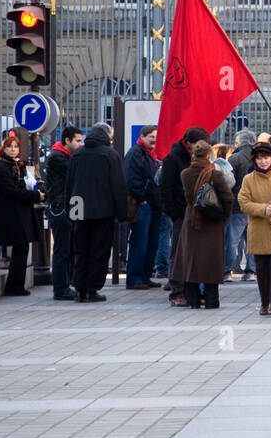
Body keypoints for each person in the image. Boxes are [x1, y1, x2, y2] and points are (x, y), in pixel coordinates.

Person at [67, 122, 128, 303]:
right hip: (103, 211)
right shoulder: (110, 155)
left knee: (80, 250)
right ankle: (92, 289)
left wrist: (68, 209)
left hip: (79, 209)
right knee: (99, 251)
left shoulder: (77, 154)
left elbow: (69, 183)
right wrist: (121, 212)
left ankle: (79, 288)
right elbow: (117, 185)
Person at [174, 138, 234, 309]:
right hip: (212, 222)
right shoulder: (215, 173)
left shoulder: (185, 174)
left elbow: (188, 198)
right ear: (209, 154)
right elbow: (227, 197)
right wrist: (223, 215)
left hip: (191, 219)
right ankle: (211, 301)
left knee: (191, 261)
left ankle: (193, 301)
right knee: (211, 263)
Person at [237, 140, 271, 316]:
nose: (263, 161)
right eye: (259, 158)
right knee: (262, 269)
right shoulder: (248, 179)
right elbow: (243, 202)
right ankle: (264, 302)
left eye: (266, 157)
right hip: (259, 230)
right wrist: (261, 209)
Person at [160, 127, 208, 307]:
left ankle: (190, 290)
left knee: (193, 253)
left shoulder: (198, 158)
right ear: (188, 143)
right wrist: (174, 213)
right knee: (178, 252)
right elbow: (166, 187)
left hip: (196, 212)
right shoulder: (174, 158)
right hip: (181, 212)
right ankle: (176, 291)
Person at [0, 131, 44, 296]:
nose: (13, 149)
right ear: (4, 149)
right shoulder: (2, 167)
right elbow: (12, 191)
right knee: (20, 249)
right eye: (10, 147)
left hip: (20, 212)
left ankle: (16, 285)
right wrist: (35, 196)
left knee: (21, 249)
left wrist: (36, 192)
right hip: (11, 214)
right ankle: (13, 286)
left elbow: (24, 186)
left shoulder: (17, 165)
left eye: (16, 147)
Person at [44, 125, 82, 301]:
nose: (81, 144)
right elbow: (76, 173)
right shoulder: (58, 157)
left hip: (70, 205)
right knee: (62, 249)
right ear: (67, 141)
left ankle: (67, 283)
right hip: (61, 206)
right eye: (78, 141)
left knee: (70, 247)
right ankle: (60, 288)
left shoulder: (67, 156)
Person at [123, 125, 160, 290]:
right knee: (140, 242)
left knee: (151, 243)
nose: (154, 140)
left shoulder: (150, 155)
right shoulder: (136, 153)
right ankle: (135, 278)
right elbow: (131, 179)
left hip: (152, 204)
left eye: (156, 137)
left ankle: (144, 276)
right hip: (143, 205)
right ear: (143, 136)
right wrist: (142, 198)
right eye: (151, 136)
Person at [227, 130, 257, 279]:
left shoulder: (235, 158)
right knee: (251, 240)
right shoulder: (259, 157)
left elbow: (228, 182)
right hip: (255, 205)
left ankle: (228, 270)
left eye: (237, 143)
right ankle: (251, 270)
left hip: (237, 205)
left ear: (242, 143)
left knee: (232, 240)